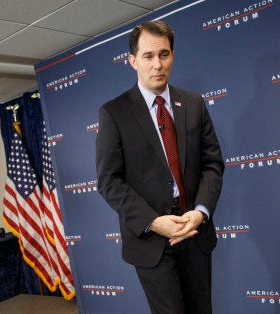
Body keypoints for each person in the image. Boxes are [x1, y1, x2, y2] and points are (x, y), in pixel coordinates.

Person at [95, 20, 224, 314]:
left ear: (173, 56)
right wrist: (153, 221)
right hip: (151, 239)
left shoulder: (194, 103)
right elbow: (109, 181)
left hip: (194, 230)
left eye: (163, 55)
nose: (157, 65)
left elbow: (212, 164)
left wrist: (201, 212)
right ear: (133, 61)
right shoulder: (114, 113)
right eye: (148, 56)